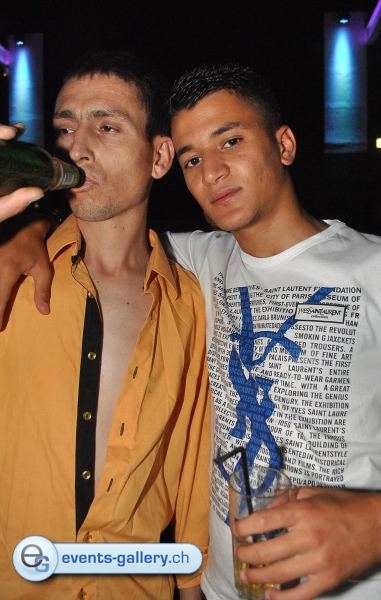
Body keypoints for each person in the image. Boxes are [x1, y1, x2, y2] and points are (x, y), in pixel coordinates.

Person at [1, 63, 381, 600]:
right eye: (192, 158)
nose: (211, 172)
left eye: (230, 141)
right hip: (224, 588)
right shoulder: (196, 263)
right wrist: (24, 229)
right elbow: (106, 224)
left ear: (284, 144)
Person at [0, 51, 210, 600]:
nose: (78, 148)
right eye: (65, 128)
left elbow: (190, 462)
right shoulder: (12, 270)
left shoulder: (187, 303)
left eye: (107, 127)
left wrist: (192, 586)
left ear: (159, 156)